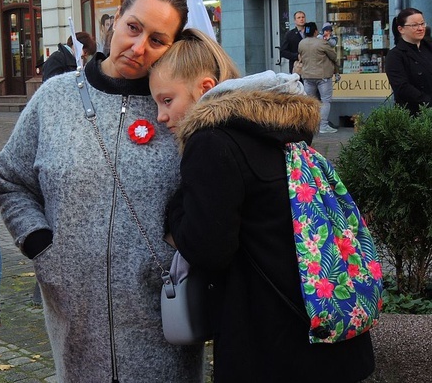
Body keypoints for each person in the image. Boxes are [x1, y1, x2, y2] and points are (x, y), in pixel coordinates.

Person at [0, 0, 204, 382]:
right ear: (114, 22)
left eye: (158, 40)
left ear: (173, 47)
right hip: (74, 310)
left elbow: (210, 190)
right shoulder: (55, 98)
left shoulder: (180, 107)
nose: (139, 47)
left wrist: (176, 249)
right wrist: (43, 247)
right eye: (133, 27)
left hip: (162, 309)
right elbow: (10, 180)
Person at [149, 35, 376, 382]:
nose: (162, 116)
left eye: (167, 100)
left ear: (205, 87)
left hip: (267, 344)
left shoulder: (210, 142)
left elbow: (209, 249)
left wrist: (174, 211)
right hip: (325, 332)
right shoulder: (279, 128)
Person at [386, 7, 432, 115]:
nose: (420, 28)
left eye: (422, 24)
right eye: (414, 25)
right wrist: (428, 102)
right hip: (413, 116)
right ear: (401, 29)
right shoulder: (395, 56)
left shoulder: (429, 48)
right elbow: (402, 88)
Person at [298, 21, 340, 133]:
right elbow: (333, 56)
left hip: (307, 76)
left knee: (310, 102)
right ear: (316, 31)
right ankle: (323, 126)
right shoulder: (321, 43)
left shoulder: (301, 43)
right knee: (325, 101)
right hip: (323, 76)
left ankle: (310, 126)